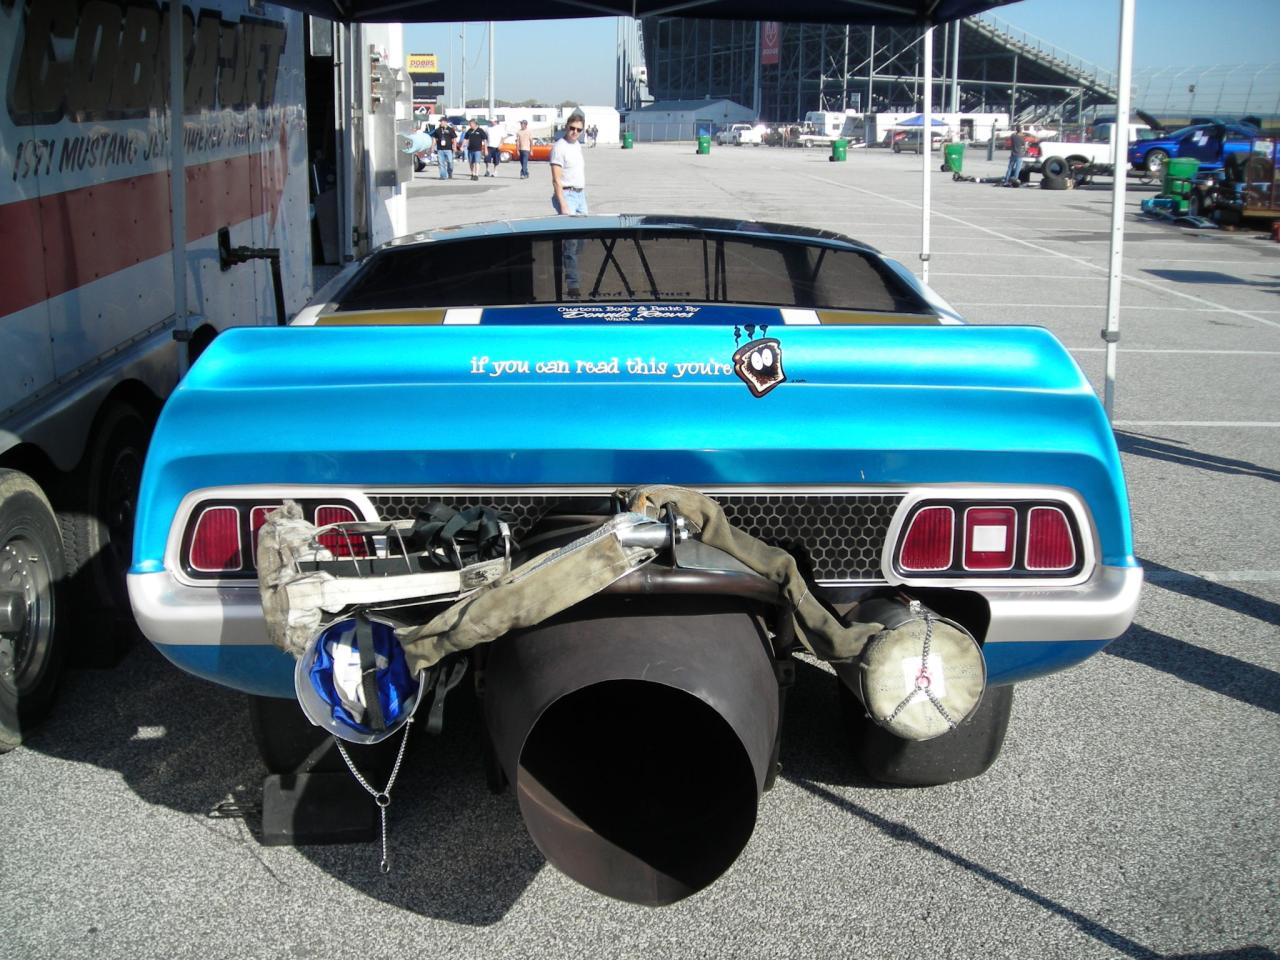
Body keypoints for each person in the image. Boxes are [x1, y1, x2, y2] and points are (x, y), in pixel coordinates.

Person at [550, 110, 588, 298]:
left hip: (580, 195)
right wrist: (563, 203)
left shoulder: (577, 145)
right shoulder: (560, 147)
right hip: (567, 195)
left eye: (579, 130)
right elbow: (556, 179)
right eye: (572, 128)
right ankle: (573, 285)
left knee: (583, 240)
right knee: (571, 243)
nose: (575, 132)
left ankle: (566, 260)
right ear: (566, 127)